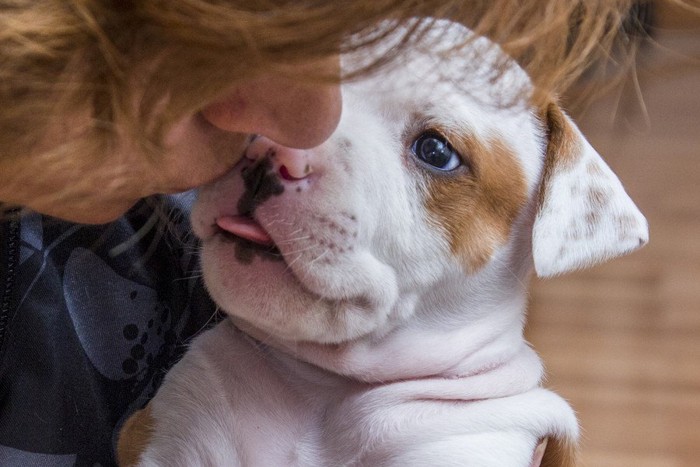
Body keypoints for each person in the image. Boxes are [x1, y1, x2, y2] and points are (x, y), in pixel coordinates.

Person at [0, 1, 637, 464]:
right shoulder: (210, 355)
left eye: (434, 152)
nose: (289, 146)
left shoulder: (482, 437)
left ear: (547, 221)